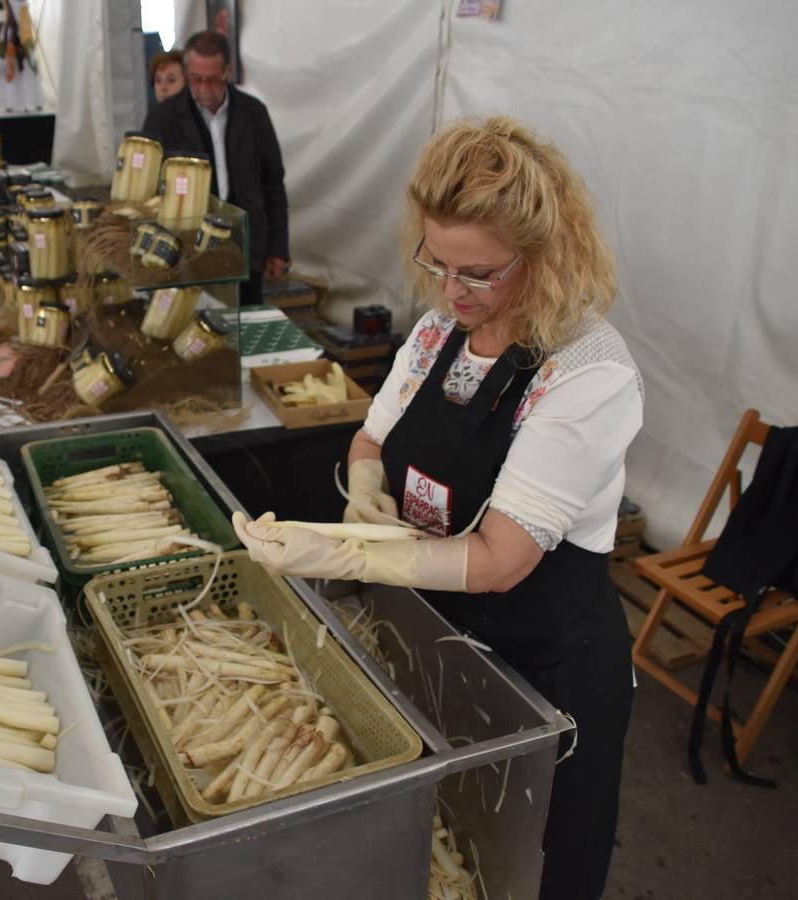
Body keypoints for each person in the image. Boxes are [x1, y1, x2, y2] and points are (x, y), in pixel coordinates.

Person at [232, 117, 642, 900]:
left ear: (546, 256)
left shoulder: (587, 374)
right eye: (437, 261)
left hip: (541, 670)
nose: (451, 292)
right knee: (440, 850)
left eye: (480, 272)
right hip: (435, 640)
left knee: (529, 864)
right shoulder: (437, 335)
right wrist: (365, 492)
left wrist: (348, 554)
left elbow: (497, 560)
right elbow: (368, 437)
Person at [143, 31, 288, 306]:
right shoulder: (163, 118)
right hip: (186, 251)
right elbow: (149, 190)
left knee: (244, 328)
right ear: (187, 72)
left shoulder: (254, 113)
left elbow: (273, 183)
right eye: (196, 79)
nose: (203, 88)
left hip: (245, 247)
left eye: (211, 79)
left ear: (227, 72)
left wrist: (277, 249)